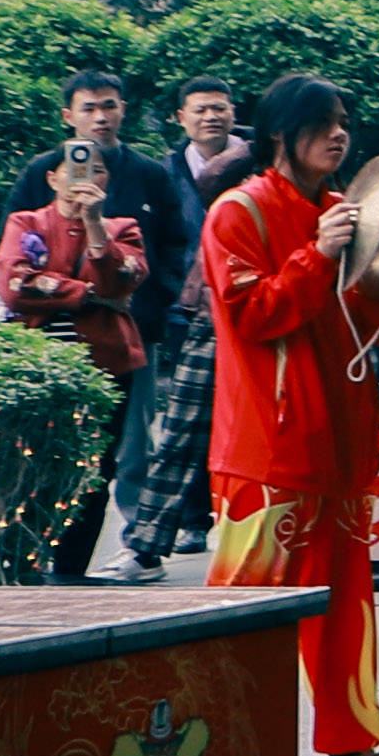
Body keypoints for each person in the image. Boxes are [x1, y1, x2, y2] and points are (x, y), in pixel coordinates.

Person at [205, 76, 379, 756]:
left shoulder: (346, 209)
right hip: (267, 450)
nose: (338, 136)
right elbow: (252, 313)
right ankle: (210, 747)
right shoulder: (236, 213)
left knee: (345, 608)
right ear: (282, 133)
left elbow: (374, 325)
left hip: (340, 441)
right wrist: (315, 255)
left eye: (343, 122)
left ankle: (353, 752)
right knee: (244, 613)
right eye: (322, 125)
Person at [38, 76, 193, 584]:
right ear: (69, 116)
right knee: (60, 448)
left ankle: (139, 544)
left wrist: (158, 297)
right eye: (89, 108)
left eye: (109, 106)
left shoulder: (147, 174)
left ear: (124, 109)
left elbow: (171, 244)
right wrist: (82, 294)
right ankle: (48, 550)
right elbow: (14, 259)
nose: (100, 117)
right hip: (51, 341)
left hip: (131, 331)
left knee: (132, 445)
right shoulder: (44, 172)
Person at [112, 83, 255, 582]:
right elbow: (173, 237)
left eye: (221, 107)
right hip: (204, 309)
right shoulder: (186, 169)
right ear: (181, 116)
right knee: (182, 427)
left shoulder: (303, 185)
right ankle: (152, 542)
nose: (212, 117)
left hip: (264, 314)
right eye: (202, 109)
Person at [0, 147, 151, 577]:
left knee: (95, 468)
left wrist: (95, 224)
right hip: (36, 366)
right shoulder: (27, 223)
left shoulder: (123, 227)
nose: (88, 177)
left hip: (108, 366)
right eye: (77, 170)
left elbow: (125, 277)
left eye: (98, 171)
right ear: (52, 178)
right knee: (31, 462)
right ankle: (22, 561)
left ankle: (71, 568)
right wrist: (85, 295)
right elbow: (13, 284)